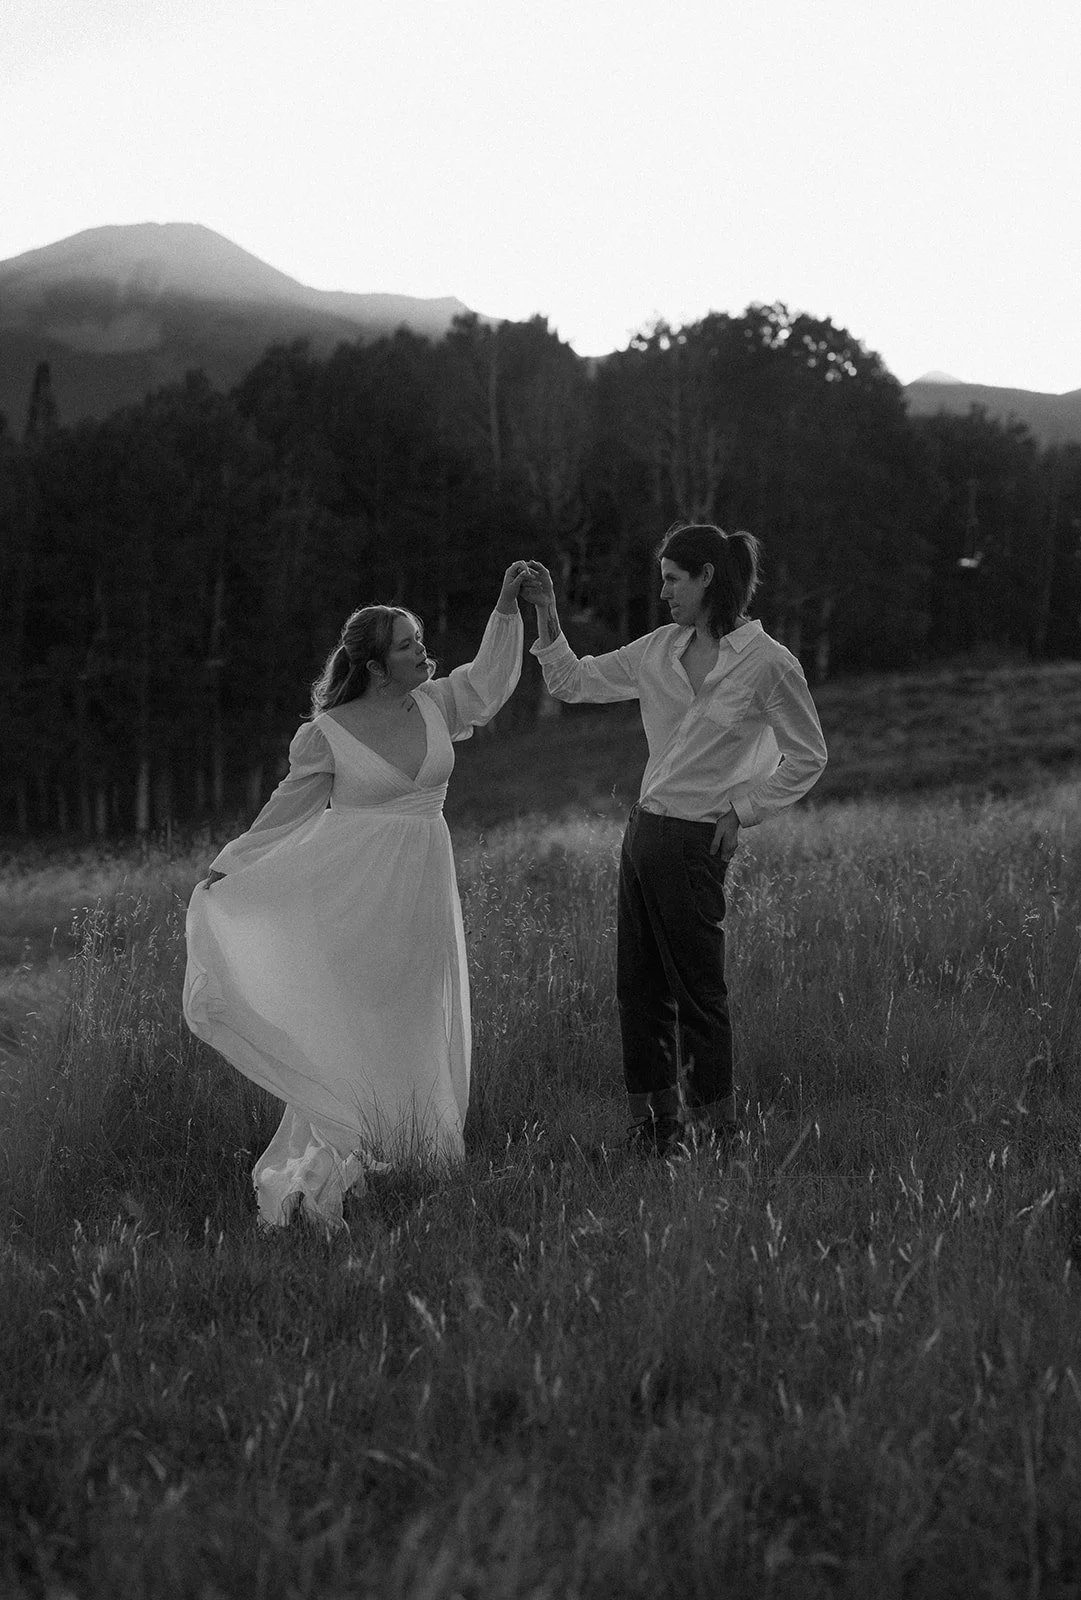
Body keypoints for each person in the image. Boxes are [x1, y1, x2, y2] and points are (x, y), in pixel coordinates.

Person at [183, 562, 532, 1228]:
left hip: (423, 884)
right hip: (353, 891)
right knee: (363, 1012)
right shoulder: (329, 734)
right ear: (376, 665)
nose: (422, 652)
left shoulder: (438, 703)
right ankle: (355, 1141)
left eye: (418, 640)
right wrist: (228, 868)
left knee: (417, 1010)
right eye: (407, 645)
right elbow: (286, 811)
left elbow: (489, 681)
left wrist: (506, 608)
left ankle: (414, 1150)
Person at [521, 526, 827, 1157]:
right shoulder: (659, 649)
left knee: (699, 996)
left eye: (672, 579)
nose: (662, 593)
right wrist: (548, 614)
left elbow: (808, 756)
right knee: (638, 993)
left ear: (708, 576)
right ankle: (655, 1130)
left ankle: (715, 1135)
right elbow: (572, 682)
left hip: (695, 843)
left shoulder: (767, 663)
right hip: (643, 835)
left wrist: (744, 810)